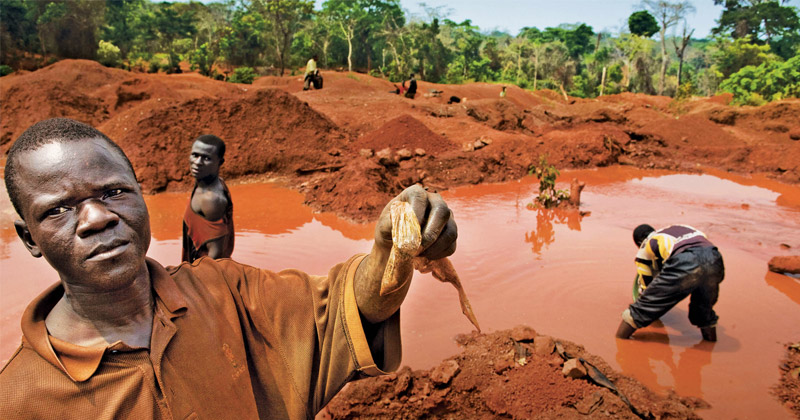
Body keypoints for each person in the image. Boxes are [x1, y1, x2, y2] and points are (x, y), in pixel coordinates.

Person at [0, 118, 457, 419]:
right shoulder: (22, 401)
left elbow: (347, 305)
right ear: (28, 238)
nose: (98, 217)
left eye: (115, 192)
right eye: (60, 208)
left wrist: (391, 248)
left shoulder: (225, 289)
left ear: (142, 194)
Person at [616, 224, 724, 342]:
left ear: (639, 241)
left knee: (642, 309)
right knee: (703, 310)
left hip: (685, 259)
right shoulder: (679, 229)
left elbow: (647, 288)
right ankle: (710, 344)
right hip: (714, 258)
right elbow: (701, 247)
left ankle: (619, 341)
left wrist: (648, 301)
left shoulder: (646, 245)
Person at [182, 134, 234, 263]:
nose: (198, 162)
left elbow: (216, 254)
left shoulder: (210, 199)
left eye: (206, 158)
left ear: (220, 162)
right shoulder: (206, 181)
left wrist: (194, 279)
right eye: (195, 155)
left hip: (204, 274)